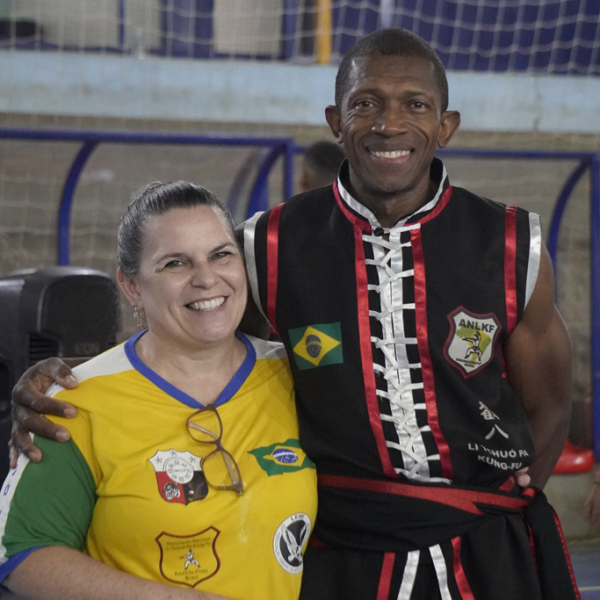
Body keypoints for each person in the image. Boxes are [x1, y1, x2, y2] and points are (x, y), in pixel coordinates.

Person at [10, 28, 577, 600]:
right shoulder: (268, 245)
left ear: (446, 125)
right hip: (340, 552)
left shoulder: (512, 242)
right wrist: (74, 378)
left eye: (415, 105)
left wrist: (518, 488)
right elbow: (200, 347)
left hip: (486, 550)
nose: (389, 124)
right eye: (365, 104)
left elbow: (550, 402)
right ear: (335, 121)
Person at [0, 181, 317, 600]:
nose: (206, 278)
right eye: (175, 263)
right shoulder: (76, 405)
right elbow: (21, 553)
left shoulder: (299, 377)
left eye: (221, 255)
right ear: (131, 286)